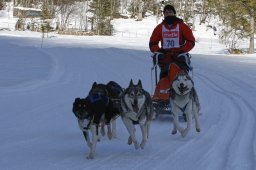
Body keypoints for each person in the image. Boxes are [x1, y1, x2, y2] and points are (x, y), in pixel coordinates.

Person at [149, 4, 195, 79]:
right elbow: (152, 43)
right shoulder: (159, 27)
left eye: (170, 12)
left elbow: (191, 41)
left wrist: (182, 50)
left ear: (174, 13)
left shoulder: (182, 26)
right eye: (166, 12)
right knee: (165, 78)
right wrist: (159, 51)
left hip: (179, 58)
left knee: (182, 79)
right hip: (165, 58)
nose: (168, 14)